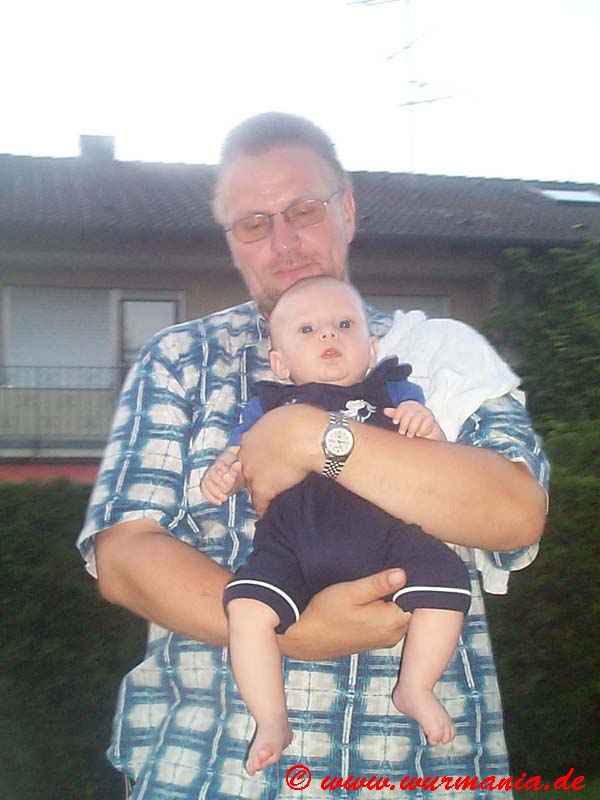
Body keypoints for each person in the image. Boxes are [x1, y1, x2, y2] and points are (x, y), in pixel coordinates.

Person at [77, 112, 548, 800]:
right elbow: (123, 556)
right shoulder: (178, 359)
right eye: (253, 223)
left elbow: (515, 514)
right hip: (212, 768)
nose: (284, 241)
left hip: (421, 771)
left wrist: (309, 437)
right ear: (231, 241)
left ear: (347, 210)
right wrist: (295, 634)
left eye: (304, 210)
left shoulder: (435, 352)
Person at [202, 275, 472, 774]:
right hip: (293, 540)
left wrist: (427, 425)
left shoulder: (391, 389)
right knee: (246, 608)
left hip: (387, 532)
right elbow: (243, 458)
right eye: (307, 329)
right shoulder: (269, 404)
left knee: (449, 581)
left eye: (344, 325)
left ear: (371, 348)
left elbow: (435, 456)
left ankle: (415, 686)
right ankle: (272, 718)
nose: (328, 334)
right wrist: (225, 472)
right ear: (280, 364)